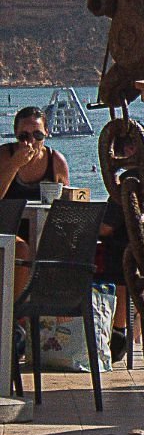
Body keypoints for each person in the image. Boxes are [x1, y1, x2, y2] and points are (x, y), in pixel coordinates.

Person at [1, 107, 68, 296]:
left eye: (37, 134)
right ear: (15, 135)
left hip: (42, 231)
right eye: (24, 136)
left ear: (46, 132)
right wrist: (14, 165)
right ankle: (16, 316)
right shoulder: (5, 156)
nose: (31, 141)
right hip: (6, 229)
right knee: (22, 249)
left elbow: (68, 204)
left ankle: (58, 315)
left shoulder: (55, 161)